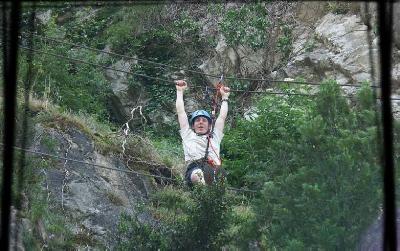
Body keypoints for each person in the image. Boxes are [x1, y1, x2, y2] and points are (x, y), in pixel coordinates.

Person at [175, 79, 230, 186]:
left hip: (213, 167)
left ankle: (214, 189)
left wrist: (225, 97)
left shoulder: (215, 136)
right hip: (194, 167)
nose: (200, 123)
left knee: (220, 174)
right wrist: (179, 91)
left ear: (209, 125)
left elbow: (222, 117)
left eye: (204, 120)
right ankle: (207, 190)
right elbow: (181, 112)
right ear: (193, 125)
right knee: (198, 174)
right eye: (197, 120)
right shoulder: (188, 134)